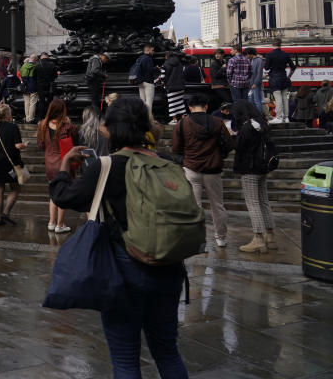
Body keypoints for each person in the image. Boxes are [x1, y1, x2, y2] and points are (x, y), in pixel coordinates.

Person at [50, 97, 189, 379]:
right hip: (169, 266)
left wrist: (65, 165)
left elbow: (64, 197)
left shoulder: (107, 165)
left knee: (125, 358)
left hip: (125, 268)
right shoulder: (168, 162)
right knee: (167, 351)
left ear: (111, 129)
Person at [172, 93, 234, 248]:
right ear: (206, 106)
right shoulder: (217, 122)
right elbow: (229, 144)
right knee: (217, 205)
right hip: (213, 168)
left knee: (195, 205)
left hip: (191, 167)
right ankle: (220, 237)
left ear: (190, 107)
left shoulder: (182, 124)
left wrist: (184, 161)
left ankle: (199, 241)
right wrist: (220, 154)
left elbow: (176, 148)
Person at [231, 100, 278, 254]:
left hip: (249, 168)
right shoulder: (262, 125)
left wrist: (234, 136)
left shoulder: (247, 127)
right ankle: (269, 236)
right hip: (262, 167)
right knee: (264, 201)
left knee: (253, 203)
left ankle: (258, 239)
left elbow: (239, 147)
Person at [37, 98, 78, 233]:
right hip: (64, 164)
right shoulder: (68, 127)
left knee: (53, 193)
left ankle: (51, 222)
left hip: (49, 163)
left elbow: (41, 145)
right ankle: (60, 224)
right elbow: (75, 143)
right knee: (63, 194)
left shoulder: (42, 125)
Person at [264, 40, 295, 123]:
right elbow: (293, 67)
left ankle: (278, 117)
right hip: (284, 77)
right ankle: (286, 117)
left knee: (278, 98)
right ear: (281, 44)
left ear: (272, 44)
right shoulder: (285, 54)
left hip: (274, 77)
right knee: (285, 98)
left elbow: (266, 68)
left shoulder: (269, 55)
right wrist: (289, 76)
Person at [161, 51, 186, 123]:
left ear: (167, 56)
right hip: (181, 86)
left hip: (171, 86)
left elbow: (163, 76)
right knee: (180, 102)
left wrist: (163, 83)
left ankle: (174, 119)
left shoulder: (165, 64)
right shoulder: (180, 64)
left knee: (172, 103)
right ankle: (183, 117)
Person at [132, 44, 157, 110]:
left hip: (140, 81)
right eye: (152, 50)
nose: (153, 52)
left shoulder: (139, 58)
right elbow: (150, 70)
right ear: (148, 50)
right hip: (148, 81)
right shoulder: (149, 58)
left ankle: (142, 118)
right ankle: (148, 119)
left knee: (142, 102)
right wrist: (156, 68)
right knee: (149, 102)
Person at [34, 52, 58, 121]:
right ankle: (50, 116)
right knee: (50, 101)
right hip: (49, 86)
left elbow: (34, 77)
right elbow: (55, 76)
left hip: (40, 86)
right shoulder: (52, 65)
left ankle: (41, 117)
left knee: (41, 101)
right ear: (47, 57)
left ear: (41, 57)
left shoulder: (37, 65)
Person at [245, 48, 265, 114]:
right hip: (249, 84)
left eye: (246, 54)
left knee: (257, 101)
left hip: (255, 84)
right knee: (251, 101)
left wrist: (255, 83)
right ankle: (254, 115)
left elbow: (259, 73)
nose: (246, 56)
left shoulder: (259, 60)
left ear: (250, 53)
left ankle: (260, 116)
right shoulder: (249, 60)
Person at [20, 54, 38, 123]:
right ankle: (30, 118)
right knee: (32, 103)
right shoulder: (35, 67)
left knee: (26, 103)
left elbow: (21, 77)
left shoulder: (23, 67)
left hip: (25, 87)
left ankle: (27, 118)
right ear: (35, 59)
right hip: (33, 86)